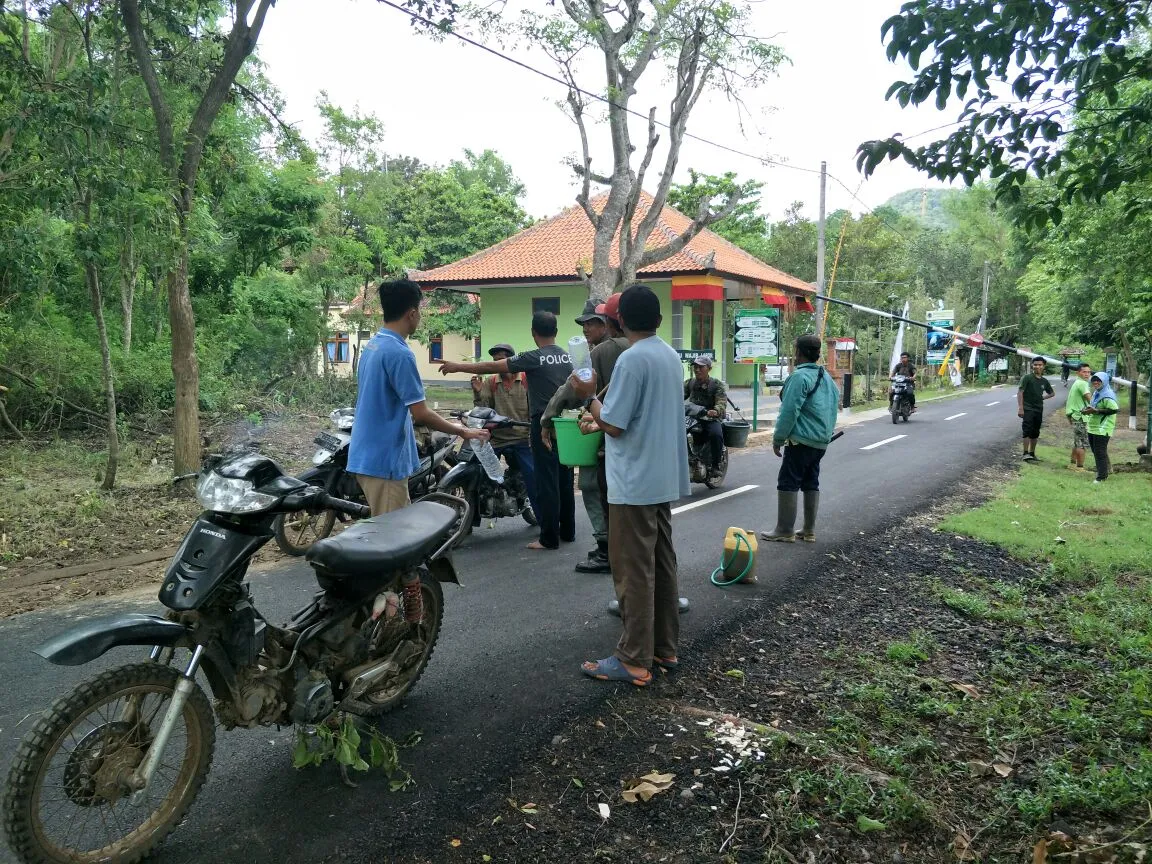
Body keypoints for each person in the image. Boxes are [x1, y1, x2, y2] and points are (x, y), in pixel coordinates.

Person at [348, 278, 490, 621]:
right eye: (420, 312)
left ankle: (389, 606)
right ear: (412, 314)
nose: (420, 318)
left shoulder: (373, 346)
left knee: (390, 532)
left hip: (369, 454)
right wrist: (464, 431)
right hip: (384, 460)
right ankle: (391, 613)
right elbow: (421, 412)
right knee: (394, 545)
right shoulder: (399, 353)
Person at [571, 283, 690, 686]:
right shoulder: (669, 355)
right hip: (661, 476)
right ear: (658, 319)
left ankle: (634, 659)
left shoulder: (632, 360)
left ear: (619, 322)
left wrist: (588, 396)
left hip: (634, 481)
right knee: (662, 563)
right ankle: (664, 647)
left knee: (633, 570)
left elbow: (614, 423)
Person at [440, 311, 575, 550]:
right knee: (564, 478)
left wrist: (456, 366)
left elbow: (490, 365)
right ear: (556, 331)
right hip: (566, 424)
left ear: (533, 333)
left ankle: (549, 538)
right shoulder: (567, 357)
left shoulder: (533, 358)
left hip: (541, 426)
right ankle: (568, 532)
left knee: (545, 482)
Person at [541, 299, 624, 573]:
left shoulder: (601, 352)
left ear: (608, 323)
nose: (586, 329)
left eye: (592, 323)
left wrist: (546, 419)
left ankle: (605, 548)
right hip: (633, 436)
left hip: (604, 429)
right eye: (584, 324)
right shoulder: (642, 349)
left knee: (590, 484)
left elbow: (571, 388)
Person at [761, 334, 839, 544]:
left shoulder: (799, 377)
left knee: (788, 481)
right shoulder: (827, 378)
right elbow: (833, 408)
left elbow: (789, 411)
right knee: (811, 481)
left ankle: (785, 529)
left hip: (801, 440)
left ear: (799, 352)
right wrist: (825, 436)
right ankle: (808, 530)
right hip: (820, 442)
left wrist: (778, 438)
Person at [471, 343, 536, 512]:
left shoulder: (527, 380)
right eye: (495, 361)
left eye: (500, 360)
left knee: (533, 476)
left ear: (511, 361)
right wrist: (478, 392)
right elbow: (483, 410)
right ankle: (474, 514)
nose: (496, 364)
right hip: (498, 439)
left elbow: (534, 410)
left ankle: (541, 515)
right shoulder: (491, 382)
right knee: (479, 472)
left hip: (522, 438)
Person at [683, 356, 727, 479]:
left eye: (701, 367)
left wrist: (716, 410)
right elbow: (677, 396)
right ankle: (687, 458)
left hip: (710, 418)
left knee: (716, 435)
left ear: (709, 369)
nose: (697, 370)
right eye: (695, 367)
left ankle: (716, 465)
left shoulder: (716, 384)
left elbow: (721, 401)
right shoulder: (690, 383)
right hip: (693, 417)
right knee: (678, 432)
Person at [1082, 372, 1119, 483]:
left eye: (1099, 380)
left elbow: (1114, 409)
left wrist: (1096, 411)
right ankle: (1103, 472)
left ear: (1105, 381)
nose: (1096, 382)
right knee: (1096, 451)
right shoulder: (1097, 393)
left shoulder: (1108, 394)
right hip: (1093, 427)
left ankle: (1102, 477)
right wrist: (1087, 409)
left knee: (1100, 452)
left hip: (1103, 428)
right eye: (1094, 380)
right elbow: (1093, 407)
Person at [1017, 356, 1055, 462]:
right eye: (1035, 364)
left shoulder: (1044, 381)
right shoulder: (1027, 378)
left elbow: (1052, 393)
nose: (1037, 366)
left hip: (1038, 409)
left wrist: (1042, 398)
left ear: (1044, 366)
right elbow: (1020, 392)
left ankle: (1032, 453)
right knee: (1027, 430)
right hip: (1027, 408)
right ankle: (1025, 453)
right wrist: (1021, 408)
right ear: (1032, 366)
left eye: (1040, 365)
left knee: (1035, 431)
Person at [1064, 362, 1092, 471]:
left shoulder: (1077, 382)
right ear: (1078, 372)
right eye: (1084, 372)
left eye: (1089, 372)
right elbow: (1091, 400)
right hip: (1080, 416)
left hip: (1074, 415)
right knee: (1082, 443)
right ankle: (1080, 467)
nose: (1087, 374)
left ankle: (1072, 464)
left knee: (1077, 441)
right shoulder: (1082, 384)